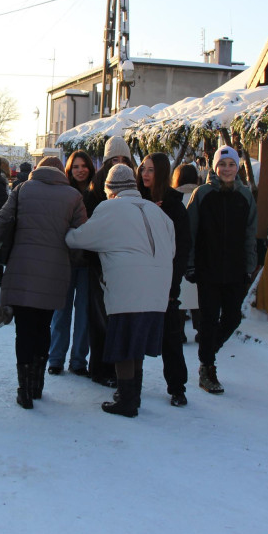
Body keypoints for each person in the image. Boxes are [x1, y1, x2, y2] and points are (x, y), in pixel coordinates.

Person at [65, 163, 175, 417]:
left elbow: (80, 238)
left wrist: (66, 230)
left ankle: (127, 400)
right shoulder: (157, 212)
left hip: (127, 288)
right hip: (158, 289)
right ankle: (132, 394)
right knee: (138, 343)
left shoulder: (110, 208)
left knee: (125, 343)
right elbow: (172, 248)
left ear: (110, 189)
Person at [0, 156, 87, 409]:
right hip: (55, 271)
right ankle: (37, 384)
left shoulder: (22, 190)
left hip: (21, 267)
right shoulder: (73, 196)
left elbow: (1, 222)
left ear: (37, 169)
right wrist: (71, 259)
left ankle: (24, 389)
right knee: (44, 326)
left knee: (24, 330)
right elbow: (81, 236)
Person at [185, 145, 257, 395]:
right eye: (222, 164)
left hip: (235, 268)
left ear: (238, 167)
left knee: (233, 317)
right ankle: (207, 369)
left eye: (231, 164)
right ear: (215, 167)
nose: (227, 169)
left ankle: (208, 350)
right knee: (208, 318)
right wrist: (190, 264)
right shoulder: (202, 194)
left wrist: (250, 265)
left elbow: (250, 233)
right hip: (208, 267)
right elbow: (189, 231)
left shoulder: (245, 196)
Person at [81, 136, 137, 387]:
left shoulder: (134, 184)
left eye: (123, 158)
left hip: (126, 263)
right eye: (114, 159)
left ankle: (117, 370)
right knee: (100, 318)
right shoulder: (95, 189)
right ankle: (100, 369)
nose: (118, 163)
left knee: (120, 319)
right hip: (99, 262)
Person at [137, 153, 192, 406]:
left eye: (150, 170)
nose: (145, 174)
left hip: (164, 281)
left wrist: (173, 284)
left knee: (170, 336)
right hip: (137, 278)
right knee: (134, 333)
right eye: (143, 169)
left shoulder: (173, 205)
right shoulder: (135, 199)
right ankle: (130, 384)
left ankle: (177, 387)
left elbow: (182, 249)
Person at [48, 150, 95, 377]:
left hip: (88, 261)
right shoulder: (62, 193)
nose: (80, 170)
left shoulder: (98, 193)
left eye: (83, 165)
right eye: (75, 166)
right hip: (64, 260)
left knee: (84, 312)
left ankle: (78, 360)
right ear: (69, 169)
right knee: (61, 311)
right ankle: (56, 358)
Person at [171, 163, 201, 338]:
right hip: (198, 255)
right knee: (197, 295)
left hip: (178, 255)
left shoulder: (175, 198)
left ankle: (180, 331)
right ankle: (200, 329)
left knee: (181, 294)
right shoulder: (201, 196)